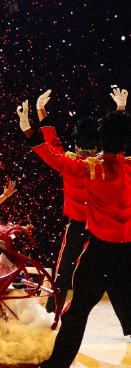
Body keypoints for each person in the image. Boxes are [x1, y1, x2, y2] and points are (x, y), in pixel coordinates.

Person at [17, 100, 131, 368]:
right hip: (126, 254)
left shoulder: (91, 169)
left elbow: (55, 158)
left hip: (99, 253)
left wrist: (29, 132)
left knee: (77, 312)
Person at [37, 88, 127, 314]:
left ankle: (51, 311)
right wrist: (121, 109)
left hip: (81, 225)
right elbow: (115, 136)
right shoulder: (101, 165)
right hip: (101, 228)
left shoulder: (73, 165)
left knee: (64, 272)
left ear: (77, 146)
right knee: (113, 276)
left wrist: (40, 111)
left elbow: (51, 145)